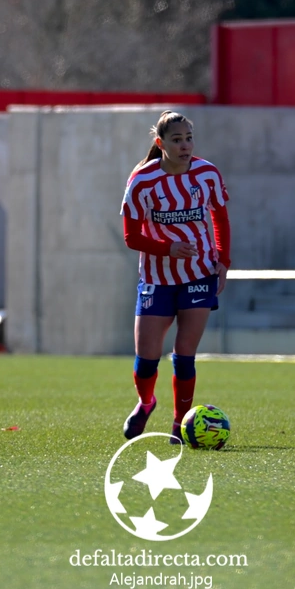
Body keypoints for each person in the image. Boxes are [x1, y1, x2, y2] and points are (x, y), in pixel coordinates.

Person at [120, 110, 232, 443]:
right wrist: (167, 248)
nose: (185, 146)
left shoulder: (207, 173)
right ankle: (145, 402)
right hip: (157, 278)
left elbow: (221, 219)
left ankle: (179, 424)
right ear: (160, 143)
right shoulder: (141, 181)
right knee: (146, 361)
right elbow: (131, 237)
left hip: (199, 274)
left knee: (184, 355)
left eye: (189, 139)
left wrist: (223, 260)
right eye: (176, 140)